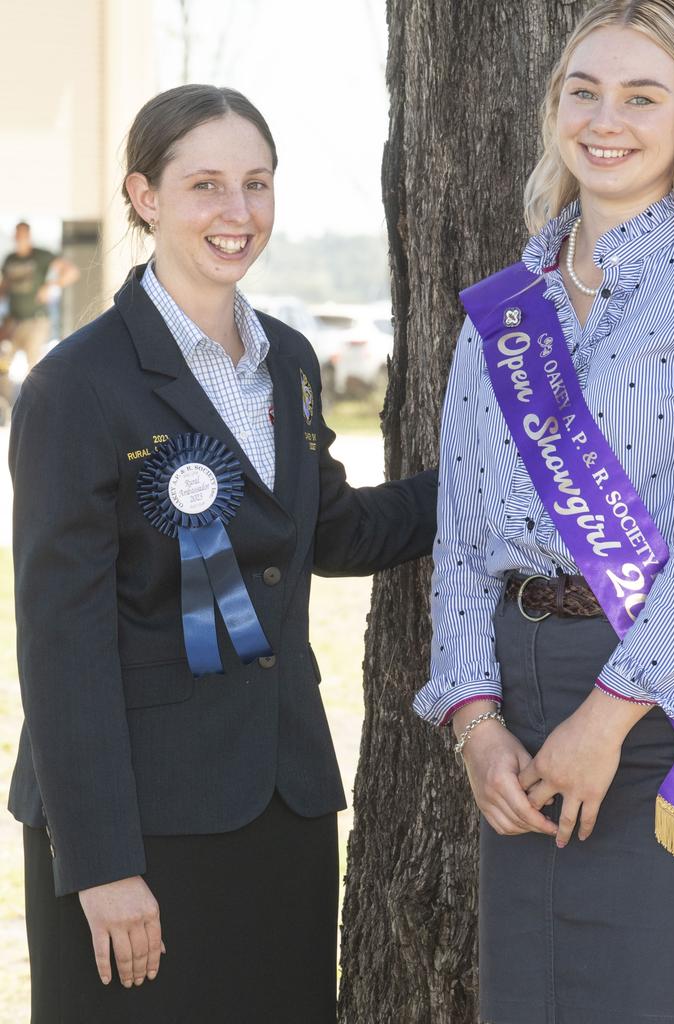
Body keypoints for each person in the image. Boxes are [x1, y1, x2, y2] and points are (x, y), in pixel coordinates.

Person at [9, 84, 437, 1024]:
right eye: (205, 184)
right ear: (145, 195)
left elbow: (330, 533)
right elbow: (59, 647)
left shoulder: (287, 359)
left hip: (282, 808)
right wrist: (105, 865)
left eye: (258, 183)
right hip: (139, 827)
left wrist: (476, 487)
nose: (237, 213)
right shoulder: (73, 388)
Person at [414, 1, 674, 1021]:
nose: (606, 118)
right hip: (520, 726)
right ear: (554, 109)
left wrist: (607, 719)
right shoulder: (504, 308)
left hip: (668, 712)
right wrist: (476, 723)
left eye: (642, 95)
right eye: (584, 91)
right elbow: (463, 538)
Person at [0, 221, 80, 367]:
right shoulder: (10, 259)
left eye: (23, 235)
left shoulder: (40, 256)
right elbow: (4, 287)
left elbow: (72, 272)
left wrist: (51, 285)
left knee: (33, 366)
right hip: (13, 321)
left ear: (29, 236)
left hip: (36, 321)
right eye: (17, 235)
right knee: (3, 362)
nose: (20, 239)